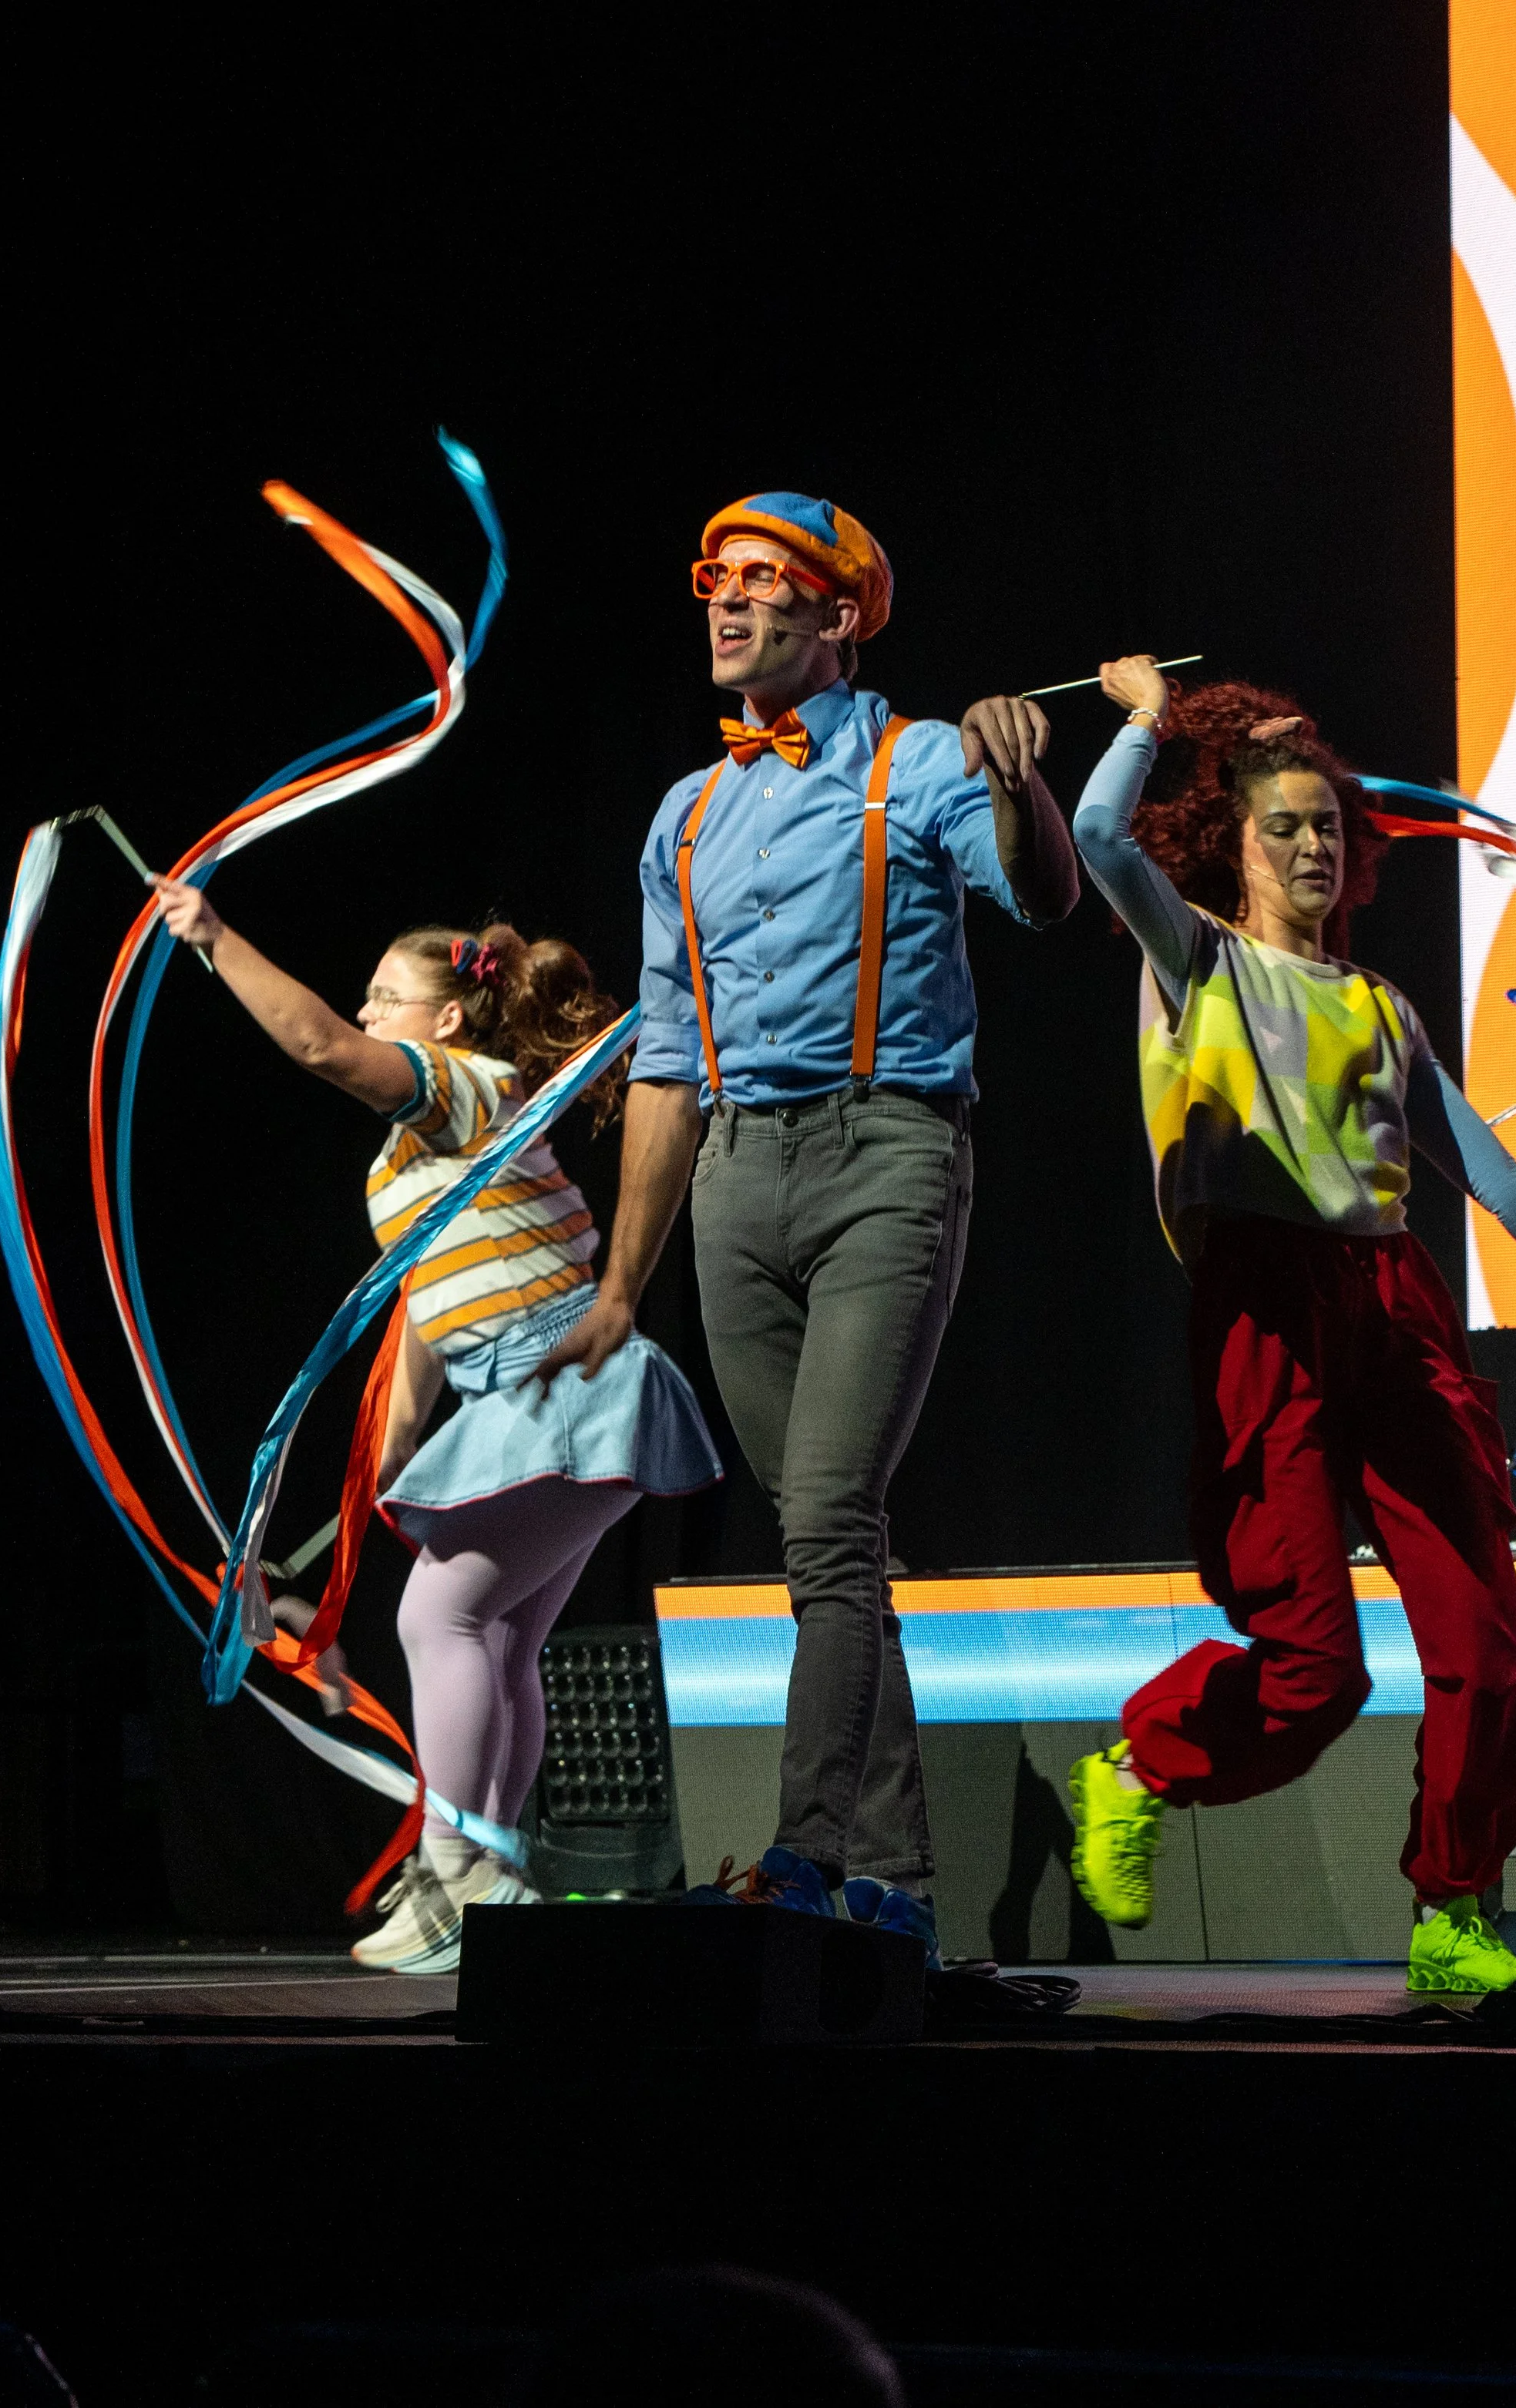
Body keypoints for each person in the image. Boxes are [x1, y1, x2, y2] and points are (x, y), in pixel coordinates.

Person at [1064, 663, 1516, 1997]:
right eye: (1282, 826)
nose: (1310, 845)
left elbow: (1505, 1184)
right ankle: (1140, 1763)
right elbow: (1099, 839)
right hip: (1266, 1306)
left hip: (1395, 1304)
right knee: (1314, 1670)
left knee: (1489, 1649)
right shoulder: (1201, 962)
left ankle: (1454, 1913)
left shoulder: (1384, 1011)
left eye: (1327, 828)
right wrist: (1142, 722)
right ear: (1231, 845)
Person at [533, 490, 1078, 1967]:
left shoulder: (917, 763)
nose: (728, 603)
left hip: (884, 1156)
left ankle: (803, 1849)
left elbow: (1041, 904)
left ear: (839, 618)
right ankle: (893, 1881)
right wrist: (619, 1288)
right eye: (718, 580)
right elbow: (661, 1055)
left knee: (832, 1520)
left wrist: (1021, 782)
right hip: (730, 1185)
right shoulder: (686, 813)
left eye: (766, 583)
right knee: (823, 1546)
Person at [147, 880, 722, 1969]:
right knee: (500, 1634)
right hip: (512, 1394)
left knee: (437, 1624)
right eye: (365, 998)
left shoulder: (462, 1085)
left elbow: (316, 1045)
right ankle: (482, 1873)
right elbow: (420, 1305)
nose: (367, 1016)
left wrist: (216, 937)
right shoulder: (415, 1157)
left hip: (563, 1384)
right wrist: (399, 1446)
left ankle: (462, 1868)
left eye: (385, 997)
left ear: (446, 1019)